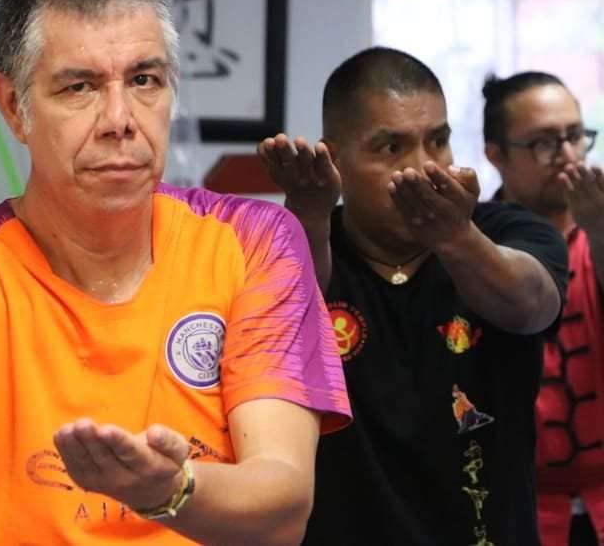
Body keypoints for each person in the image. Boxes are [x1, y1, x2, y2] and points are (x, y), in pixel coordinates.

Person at [0, 0, 351, 546]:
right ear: (14, 106)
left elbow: (284, 509)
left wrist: (169, 490)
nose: (120, 119)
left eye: (144, 80)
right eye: (79, 87)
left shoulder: (253, 242)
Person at [258, 46, 569, 545]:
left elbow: (531, 307)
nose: (424, 167)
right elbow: (285, 326)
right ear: (335, 160)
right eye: (391, 148)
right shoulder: (297, 243)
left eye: (438, 141)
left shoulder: (507, 229)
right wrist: (309, 216)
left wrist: (456, 238)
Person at [483, 72, 604, 546]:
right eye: (544, 143)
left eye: (576, 136)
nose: (569, 155)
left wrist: (599, 232)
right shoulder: (472, 245)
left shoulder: (597, 233)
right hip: (512, 501)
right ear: (496, 154)